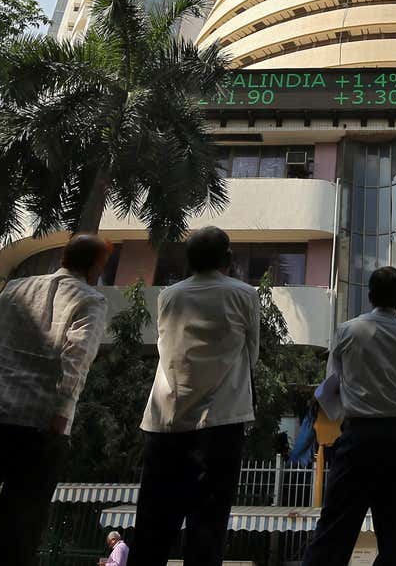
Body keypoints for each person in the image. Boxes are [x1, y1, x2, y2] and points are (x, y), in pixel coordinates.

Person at [0, 233, 111, 566]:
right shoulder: (90, 301)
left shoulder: (14, 289)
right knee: (18, 532)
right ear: (96, 266)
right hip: (38, 427)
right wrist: (61, 415)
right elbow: (76, 361)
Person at [132, 226, 262, 566]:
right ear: (229, 258)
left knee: (152, 525)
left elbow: (165, 346)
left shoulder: (169, 296)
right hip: (220, 423)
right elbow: (252, 355)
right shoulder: (245, 295)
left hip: (165, 421)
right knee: (207, 528)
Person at [302, 267, 396, 566]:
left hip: (358, 438)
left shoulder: (347, 331)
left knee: (334, 530)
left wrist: (346, 415)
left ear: (369, 295)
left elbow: (331, 385)